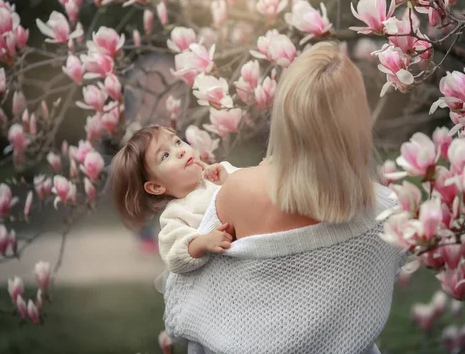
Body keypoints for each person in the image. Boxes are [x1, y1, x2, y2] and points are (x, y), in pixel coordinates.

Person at [163, 41, 405, 354]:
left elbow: (197, 291)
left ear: (285, 112)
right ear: (357, 121)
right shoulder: (383, 212)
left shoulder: (237, 190)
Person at [109, 125, 239, 275]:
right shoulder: (176, 214)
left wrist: (228, 180)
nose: (180, 151)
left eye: (177, 142)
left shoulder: (222, 170)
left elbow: (254, 191)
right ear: (156, 187)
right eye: (165, 155)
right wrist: (203, 243)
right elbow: (175, 257)